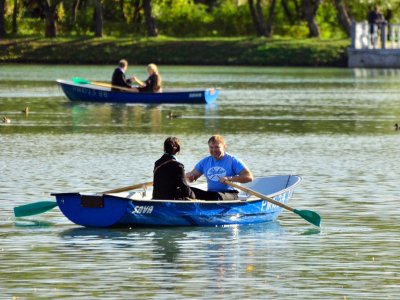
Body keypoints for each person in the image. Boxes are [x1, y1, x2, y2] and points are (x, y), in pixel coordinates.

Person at [186, 135, 253, 201]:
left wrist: (230, 178)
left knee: (216, 196)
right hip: (211, 194)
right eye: (211, 147)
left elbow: (249, 177)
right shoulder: (205, 161)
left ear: (224, 147)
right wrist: (189, 177)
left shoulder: (233, 160)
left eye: (217, 147)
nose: (214, 150)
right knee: (186, 190)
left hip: (231, 194)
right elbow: (192, 178)